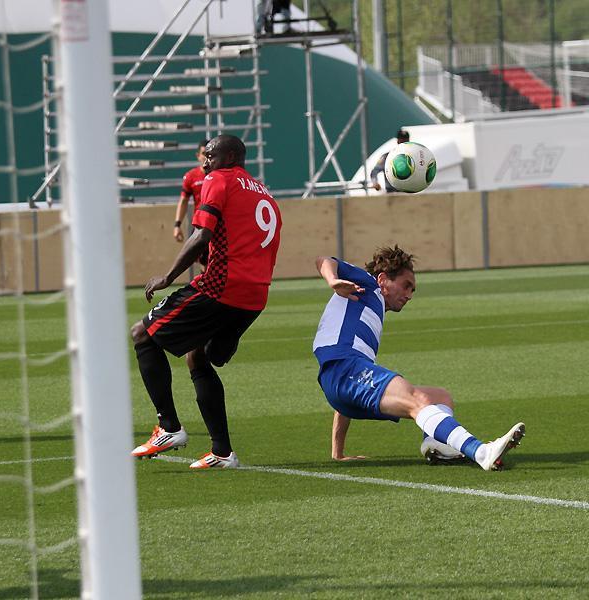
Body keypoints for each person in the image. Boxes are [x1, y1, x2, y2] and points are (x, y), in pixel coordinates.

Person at [130, 134, 282, 469]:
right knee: (198, 356)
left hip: (221, 286)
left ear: (230, 157)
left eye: (211, 155)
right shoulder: (264, 193)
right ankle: (222, 453)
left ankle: (168, 428)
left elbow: (201, 235)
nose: (205, 162)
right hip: (255, 295)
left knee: (142, 333)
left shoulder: (218, 179)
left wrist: (168, 277)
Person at [312, 246, 525, 471]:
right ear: (383, 280)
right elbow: (323, 260)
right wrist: (333, 280)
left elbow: (352, 385)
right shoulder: (367, 283)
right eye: (406, 286)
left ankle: (436, 445)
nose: (409, 295)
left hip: (343, 382)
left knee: (439, 397)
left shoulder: (370, 311)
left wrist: (338, 452)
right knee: (417, 399)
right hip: (342, 369)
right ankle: (481, 452)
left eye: (412, 290)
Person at [173, 139, 208, 243]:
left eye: (209, 154)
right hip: (199, 225)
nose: (206, 157)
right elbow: (183, 201)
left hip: (217, 224)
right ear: (198, 156)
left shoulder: (220, 175)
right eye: (204, 154)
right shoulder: (191, 176)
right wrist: (177, 225)